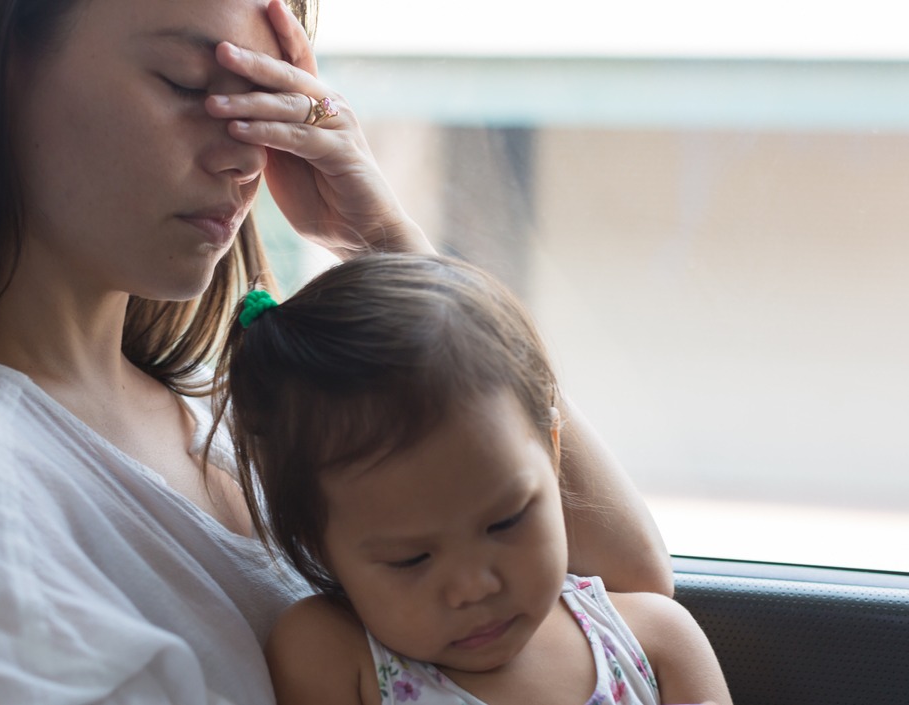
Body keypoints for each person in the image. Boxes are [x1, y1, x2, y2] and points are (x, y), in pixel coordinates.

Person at [0, 0, 672, 702]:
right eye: (193, 88)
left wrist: (390, 246)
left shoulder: (226, 419)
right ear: (6, 59)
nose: (246, 155)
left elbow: (625, 598)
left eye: (269, 101)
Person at [217, 253, 732, 705]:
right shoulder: (330, 655)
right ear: (319, 544)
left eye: (505, 522)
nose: (473, 586)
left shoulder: (654, 640)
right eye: (411, 558)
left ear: (554, 453)